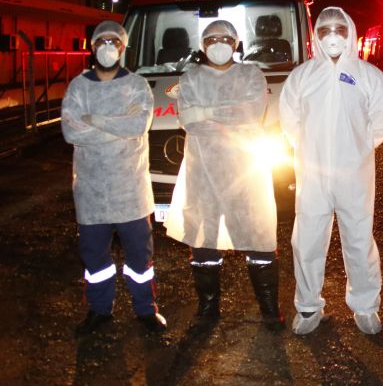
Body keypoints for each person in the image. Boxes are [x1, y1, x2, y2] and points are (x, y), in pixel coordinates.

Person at [280, 7, 383, 335]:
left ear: (350, 32)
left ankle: (365, 305)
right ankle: (308, 306)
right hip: (312, 173)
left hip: (354, 174)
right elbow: (289, 121)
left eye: (339, 29)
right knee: (307, 239)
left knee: (359, 239)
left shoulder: (368, 75)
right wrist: (309, 148)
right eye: (325, 30)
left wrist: (359, 146)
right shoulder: (302, 76)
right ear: (316, 35)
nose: (332, 36)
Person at [165, 20, 283, 330]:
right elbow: (190, 122)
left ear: (236, 43)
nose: (219, 44)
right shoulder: (190, 78)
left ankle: (270, 309)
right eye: (212, 39)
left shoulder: (251, 75)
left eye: (226, 38)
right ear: (202, 45)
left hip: (246, 173)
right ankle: (208, 308)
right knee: (204, 242)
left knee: (259, 238)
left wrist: (206, 111)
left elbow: (251, 114)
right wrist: (226, 113)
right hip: (202, 173)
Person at [61, 20, 166, 336]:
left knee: (140, 257)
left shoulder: (137, 85)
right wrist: (117, 127)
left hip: (130, 190)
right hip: (91, 191)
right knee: (94, 258)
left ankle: (146, 310)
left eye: (114, 41)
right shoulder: (78, 87)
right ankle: (99, 309)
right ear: (92, 47)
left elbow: (137, 126)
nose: (108, 47)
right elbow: (70, 131)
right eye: (102, 41)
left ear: (123, 47)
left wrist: (93, 120)